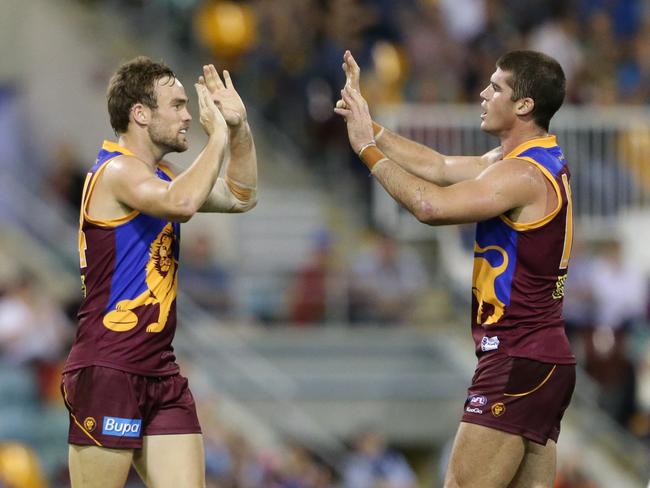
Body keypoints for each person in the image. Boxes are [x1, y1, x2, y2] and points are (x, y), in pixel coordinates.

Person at [335, 49, 576, 487]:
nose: (483, 93)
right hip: (542, 356)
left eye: (496, 87)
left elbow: (431, 205)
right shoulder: (525, 161)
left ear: (524, 105)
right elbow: (440, 166)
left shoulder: (520, 174)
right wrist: (366, 123)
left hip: (516, 354)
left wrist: (366, 151)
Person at [61, 57, 258, 488]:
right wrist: (217, 136)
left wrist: (239, 129)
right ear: (140, 113)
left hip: (160, 369)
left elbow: (242, 195)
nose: (189, 115)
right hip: (109, 365)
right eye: (178, 104)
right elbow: (183, 205)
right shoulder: (116, 171)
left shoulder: (162, 176)